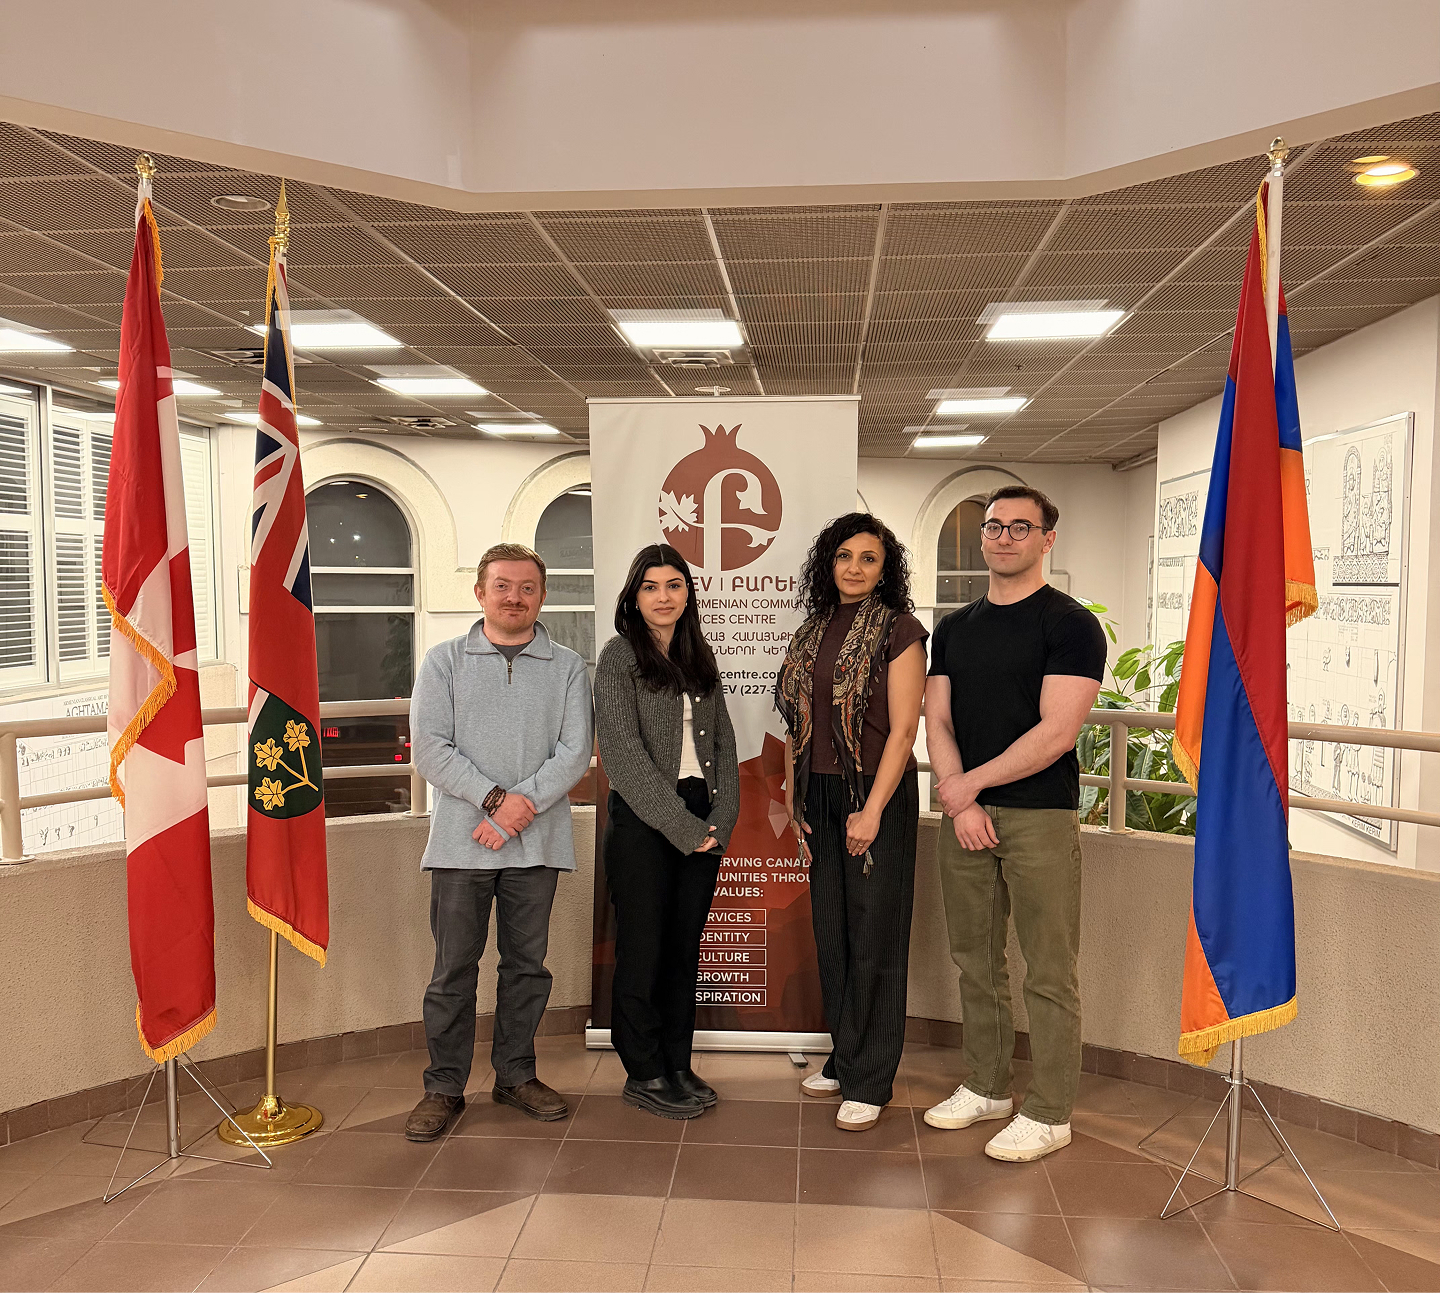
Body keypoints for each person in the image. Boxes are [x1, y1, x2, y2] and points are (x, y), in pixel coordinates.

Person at [924, 485, 1106, 1163]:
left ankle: (1052, 1110)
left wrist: (967, 784)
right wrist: (962, 801)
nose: (1003, 537)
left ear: (1046, 539)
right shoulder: (954, 627)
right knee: (975, 959)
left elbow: (1058, 731)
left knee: (1049, 969)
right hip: (965, 815)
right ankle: (986, 1084)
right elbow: (936, 718)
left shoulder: (1070, 624)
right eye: (993, 526)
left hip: (1040, 816)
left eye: (1019, 526)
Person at [404, 542, 594, 1141]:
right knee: (452, 971)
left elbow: (575, 753)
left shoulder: (567, 666)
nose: (515, 597)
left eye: (528, 587)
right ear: (480, 592)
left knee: (527, 968)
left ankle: (515, 1074)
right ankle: (443, 1087)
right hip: (461, 847)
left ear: (542, 595)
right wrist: (494, 802)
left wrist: (516, 812)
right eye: (503, 586)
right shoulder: (443, 662)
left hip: (536, 847)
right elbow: (431, 748)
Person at [775, 513, 927, 1132]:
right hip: (821, 796)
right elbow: (796, 723)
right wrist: (794, 799)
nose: (855, 568)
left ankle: (871, 1079)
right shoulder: (813, 631)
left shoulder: (901, 631)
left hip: (875, 796)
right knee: (832, 932)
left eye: (869, 558)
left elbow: (904, 730)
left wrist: (872, 810)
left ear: (885, 568)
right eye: (845, 556)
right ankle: (845, 1055)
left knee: (876, 939)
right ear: (828, 564)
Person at [594, 544, 740, 1119]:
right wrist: (685, 828)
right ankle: (645, 1070)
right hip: (644, 821)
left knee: (684, 950)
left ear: (687, 594)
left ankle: (677, 1061)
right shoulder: (616, 657)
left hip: (701, 817)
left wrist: (718, 820)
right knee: (644, 948)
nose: (663, 596)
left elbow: (725, 746)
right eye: (651, 586)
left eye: (674, 585)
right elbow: (623, 757)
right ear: (634, 597)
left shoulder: (699, 656)